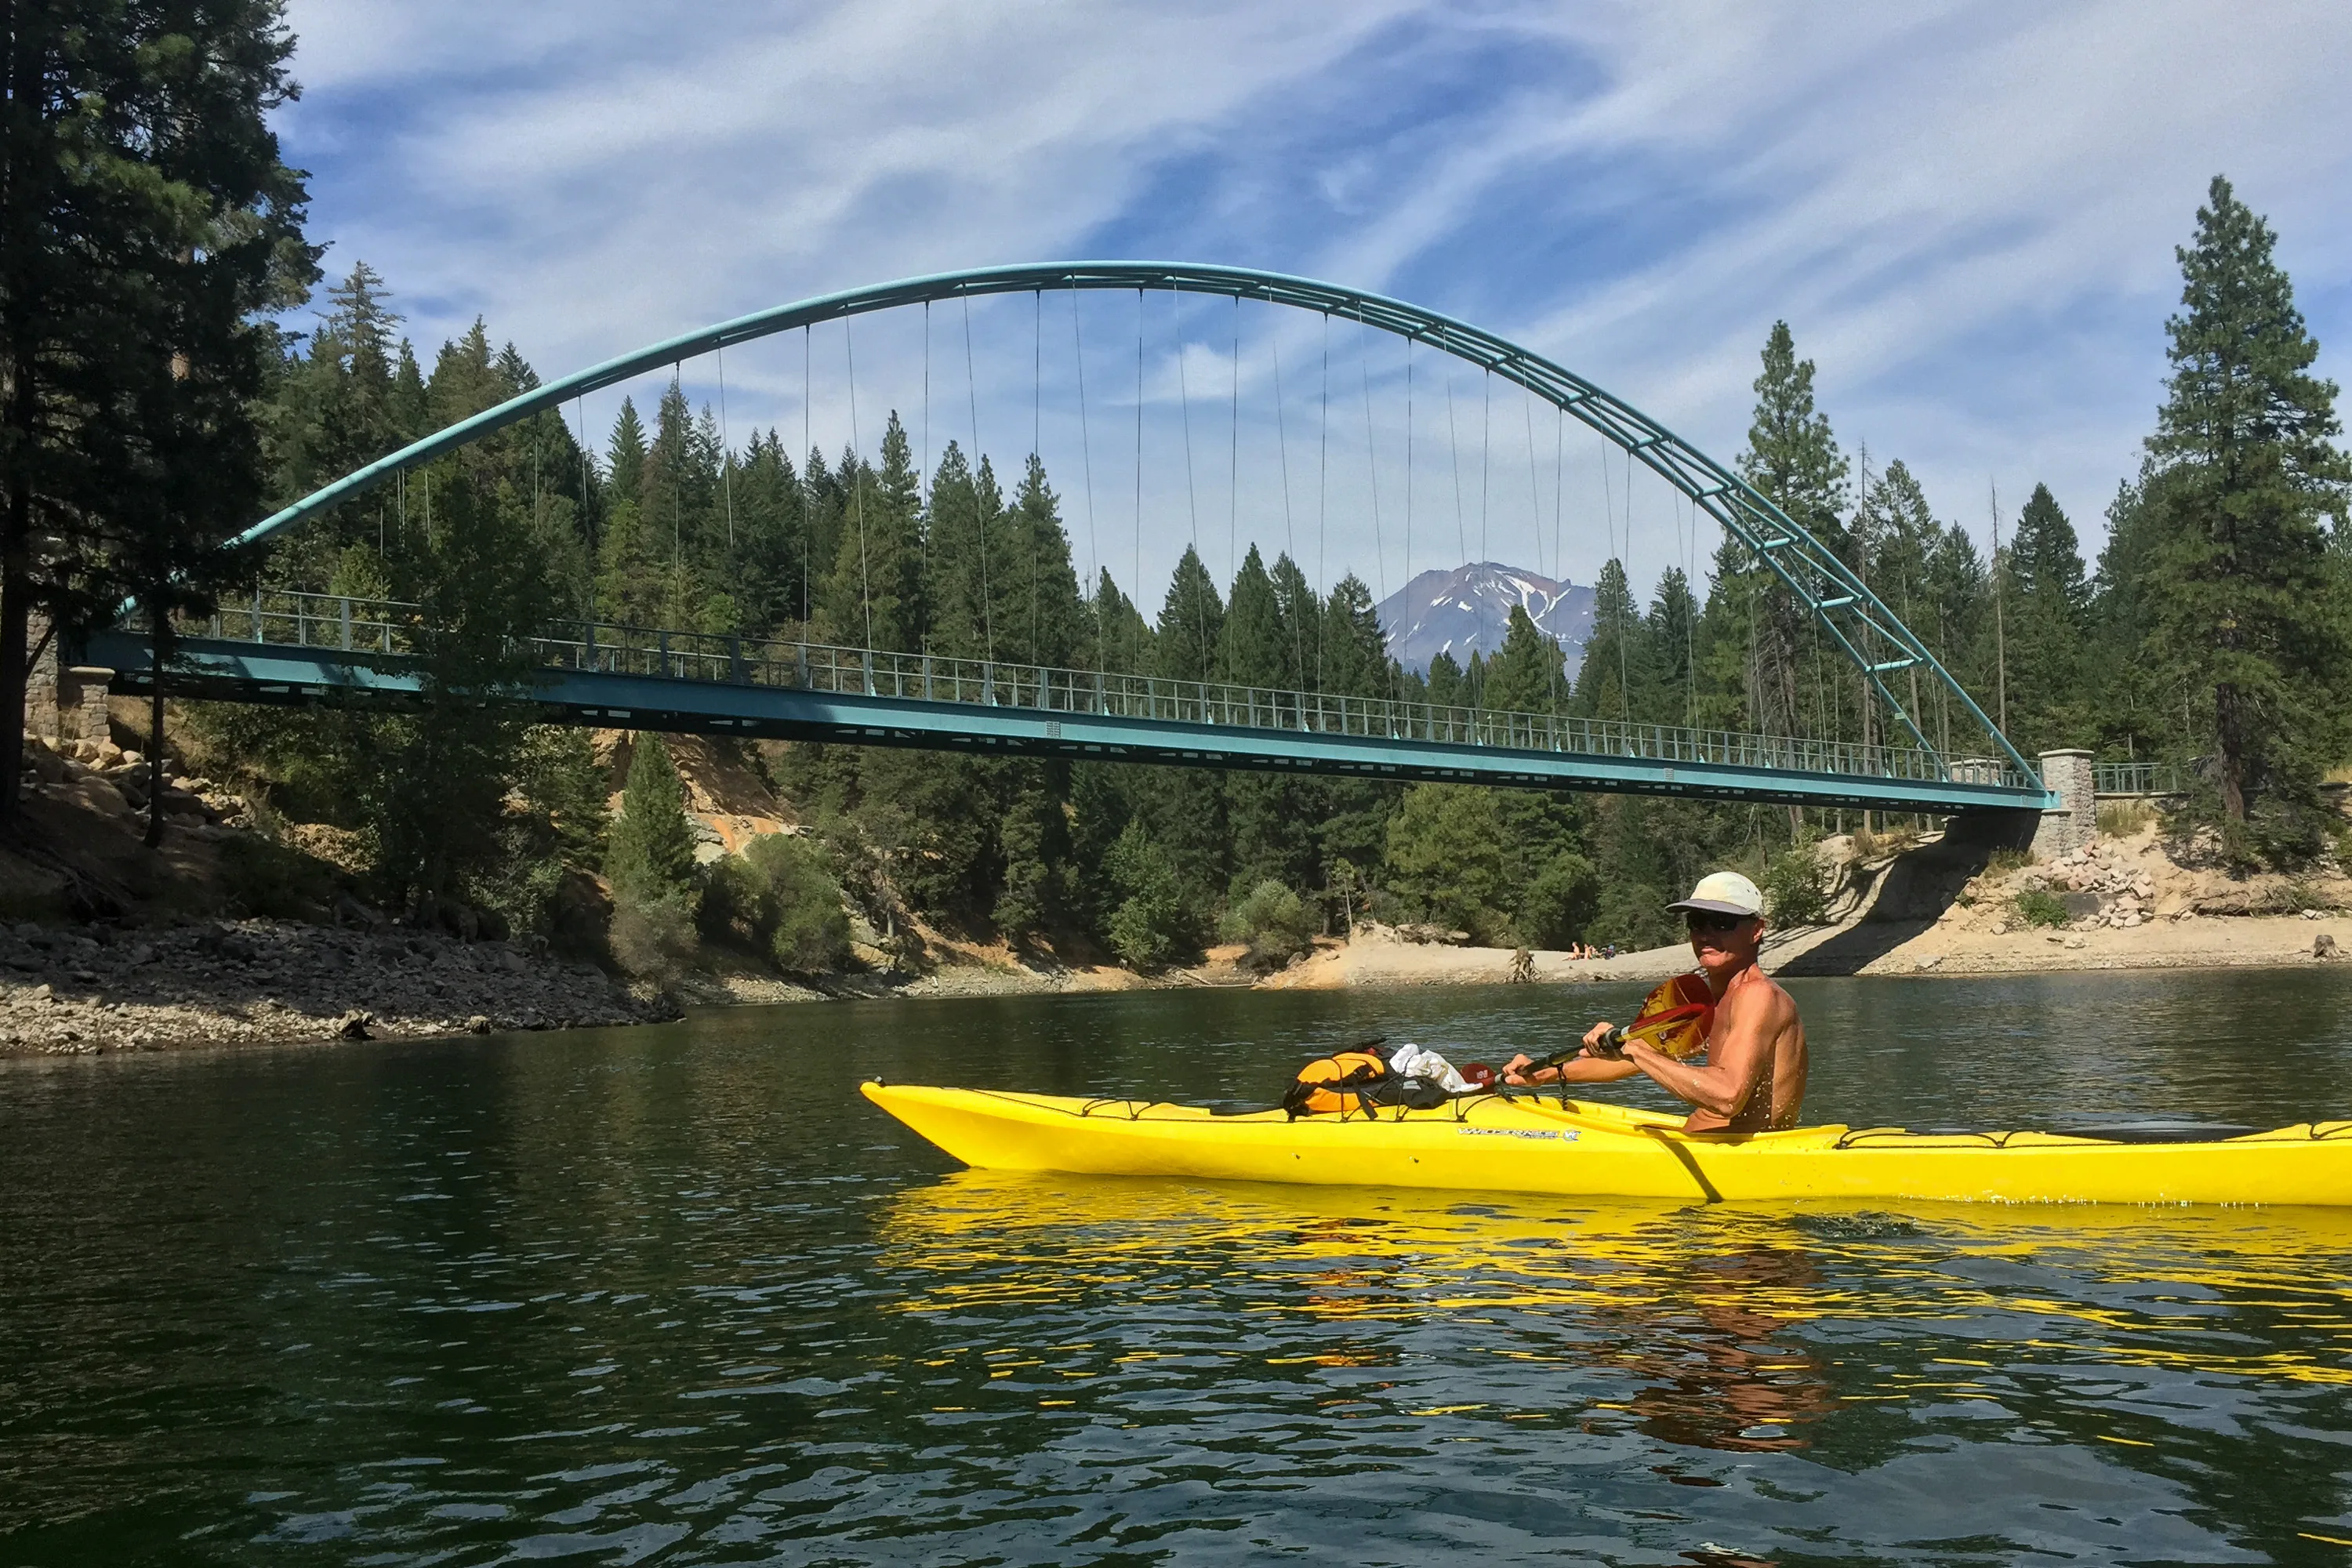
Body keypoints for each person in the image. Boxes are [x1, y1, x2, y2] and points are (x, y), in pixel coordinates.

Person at [1501, 871, 1808, 1133]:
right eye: (1698, 921)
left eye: (1723, 922)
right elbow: (1641, 1055)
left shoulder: (1757, 996)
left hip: (1742, 1159)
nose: (1706, 934)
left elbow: (1728, 1096)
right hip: (1706, 1144)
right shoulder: (1707, 999)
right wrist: (1544, 1074)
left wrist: (1633, 1050)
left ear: (1756, 930)